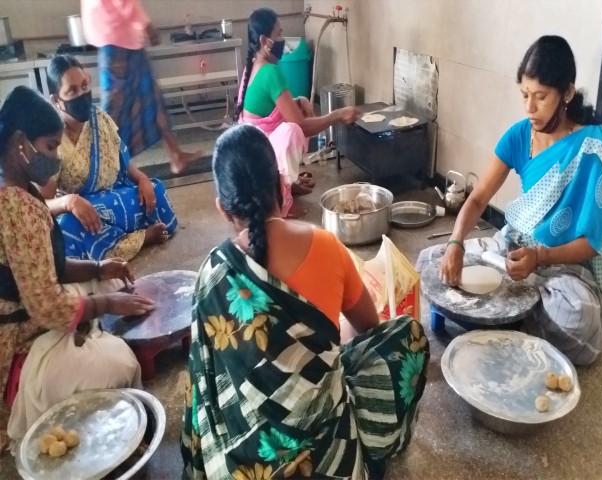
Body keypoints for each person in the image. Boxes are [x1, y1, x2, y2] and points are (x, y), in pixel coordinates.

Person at [181, 124, 428, 479]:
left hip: (248, 460)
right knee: (409, 336)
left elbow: (205, 376)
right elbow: (370, 328)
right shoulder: (326, 246)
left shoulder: (212, 274)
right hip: (328, 450)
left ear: (222, 208)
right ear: (282, 186)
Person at [416, 36, 602, 366]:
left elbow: (592, 243)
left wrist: (540, 257)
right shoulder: (519, 134)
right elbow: (479, 197)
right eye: (525, 95)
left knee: (579, 318)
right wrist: (455, 242)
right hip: (513, 249)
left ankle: (508, 315)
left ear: (566, 93)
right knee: (430, 260)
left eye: (541, 97)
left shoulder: (590, 147)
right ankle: (516, 316)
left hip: (562, 266)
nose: (530, 107)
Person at [0, 86, 156, 451]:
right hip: (19, 339)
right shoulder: (16, 206)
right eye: (51, 146)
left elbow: (47, 266)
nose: (56, 157)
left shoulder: (20, 186)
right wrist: (107, 306)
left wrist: (101, 268)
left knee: (102, 289)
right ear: (22, 143)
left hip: (30, 310)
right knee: (120, 365)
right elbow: (46, 305)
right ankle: (24, 389)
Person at [41, 55, 177, 262]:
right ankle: (139, 238)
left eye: (85, 86)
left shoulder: (99, 118)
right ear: (56, 100)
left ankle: (122, 239)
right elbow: (42, 205)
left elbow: (126, 164)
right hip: (84, 214)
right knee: (67, 227)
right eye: (72, 91)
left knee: (155, 191)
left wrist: (142, 179)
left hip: (116, 198)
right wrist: (70, 201)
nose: (82, 94)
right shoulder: (52, 139)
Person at [237, 8, 359, 217]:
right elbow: (302, 126)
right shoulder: (270, 72)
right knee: (293, 132)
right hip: (256, 156)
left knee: (297, 110)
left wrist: (299, 101)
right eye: (279, 35)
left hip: (250, 150)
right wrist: (337, 115)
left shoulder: (254, 65)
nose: (282, 41)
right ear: (265, 40)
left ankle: (288, 183)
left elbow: (266, 110)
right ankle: (281, 199)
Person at [80, 0, 201, 173]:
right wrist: (146, 24)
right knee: (114, 109)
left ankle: (176, 155)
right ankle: (101, 168)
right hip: (116, 41)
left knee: (152, 97)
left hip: (122, 39)